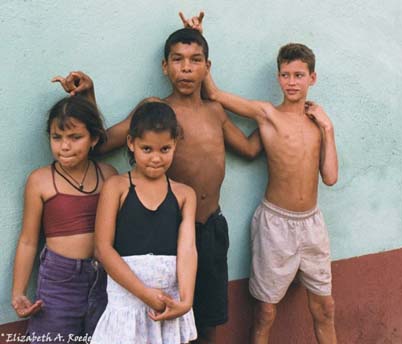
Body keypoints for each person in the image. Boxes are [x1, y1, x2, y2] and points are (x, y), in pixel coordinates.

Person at [54, 13, 261, 343]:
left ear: (207, 67)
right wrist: (87, 96)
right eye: (177, 60)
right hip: (170, 232)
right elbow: (104, 143)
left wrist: (276, 117)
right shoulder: (154, 111)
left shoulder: (215, 112)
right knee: (162, 320)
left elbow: (250, 150)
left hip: (210, 230)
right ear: (165, 67)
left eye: (195, 61)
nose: (186, 68)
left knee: (206, 321)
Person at [203, 42, 339, 343]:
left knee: (325, 308)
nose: (292, 82)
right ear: (278, 78)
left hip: (312, 224)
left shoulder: (319, 124)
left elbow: (330, 177)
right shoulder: (267, 114)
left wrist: (328, 128)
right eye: (286, 75)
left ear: (312, 78)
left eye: (299, 75)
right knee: (265, 312)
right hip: (275, 223)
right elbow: (215, 94)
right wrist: (201, 43)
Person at [11, 84, 117, 343]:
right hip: (59, 283)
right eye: (57, 138)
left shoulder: (108, 176)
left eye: (75, 137)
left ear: (93, 139)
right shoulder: (41, 180)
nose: (64, 146)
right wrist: (18, 292)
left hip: (105, 280)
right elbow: (28, 240)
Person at [92, 101, 197, 344]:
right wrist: (144, 294)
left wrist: (186, 301)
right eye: (147, 149)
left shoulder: (184, 194)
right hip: (127, 303)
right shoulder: (116, 187)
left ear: (175, 144)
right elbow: (102, 249)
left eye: (165, 149)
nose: (156, 158)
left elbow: (188, 248)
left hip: (169, 302)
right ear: (131, 143)